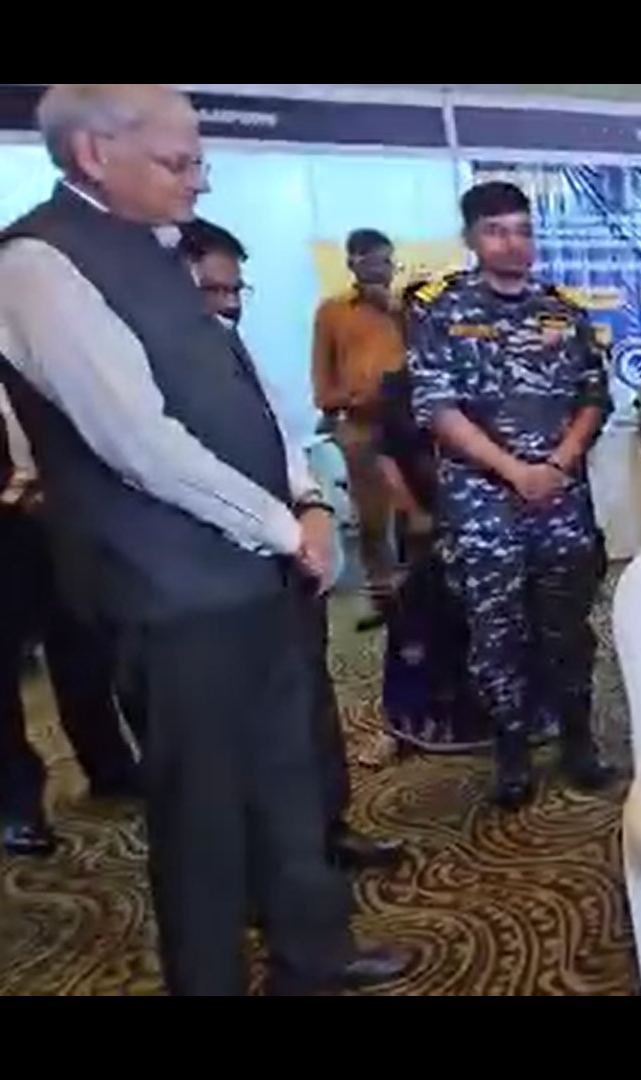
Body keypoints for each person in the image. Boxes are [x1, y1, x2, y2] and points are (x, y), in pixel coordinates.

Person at [0, 83, 407, 994]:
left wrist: (308, 501)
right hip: (167, 593)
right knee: (205, 816)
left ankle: (313, 955)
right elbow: (136, 442)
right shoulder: (37, 264)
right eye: (179, 161)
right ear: (94, 155)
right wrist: (282, 526)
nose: (200, 178)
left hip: (257, 574)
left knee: (289, 782)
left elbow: (247, 394)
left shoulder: (164, 250)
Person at [178, 218, 402, 870]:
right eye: (211, 291)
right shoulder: (150, 364)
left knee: (308, 697)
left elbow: (280, 440)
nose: (229, 305)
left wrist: (311, 506)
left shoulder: (234, 351)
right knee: (232, 724)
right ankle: (261, 860)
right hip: (212, 574)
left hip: (288, 558)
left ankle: (327, 827)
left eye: (236, 290)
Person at [410, 181, 615, 809]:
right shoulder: (440, 311)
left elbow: (593, 397)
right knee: (496, 633)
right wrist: (512, 471)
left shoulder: (563, 312)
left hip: (560, 501)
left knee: (568, 629)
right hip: (483, 506)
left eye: (523, 230)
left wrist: (555, 464)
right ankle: (512, 754)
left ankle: (578, 742)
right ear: (471, 238)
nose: (513, 243)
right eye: (496, 231)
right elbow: (436, 407)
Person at [1, 381, 141, 858]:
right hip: (5, 523)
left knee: (85, 645)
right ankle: (17, 804)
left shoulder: (32, 350)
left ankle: (108, 765)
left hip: (61, 512)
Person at [375, 320, 488, 754]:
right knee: (415, 621)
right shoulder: (397, 384)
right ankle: (405, 723)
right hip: (422, 519)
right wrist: (416, 513)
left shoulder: (479, 373)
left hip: (478, 518)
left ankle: (472, 717)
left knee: (474, 620)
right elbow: (386, 459)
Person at [313, 229, 406, 625]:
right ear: (353, 262)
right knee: (372, 520)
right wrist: (342, 402)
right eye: (376, 260)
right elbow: (322, 375)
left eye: (388, 261)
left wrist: (396, 311)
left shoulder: (408, 308)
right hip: (360, 427)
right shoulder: (332, 311)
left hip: (410, 425)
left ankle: (418, 596)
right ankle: (383, 600)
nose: (384, 269)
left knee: (416, 515)